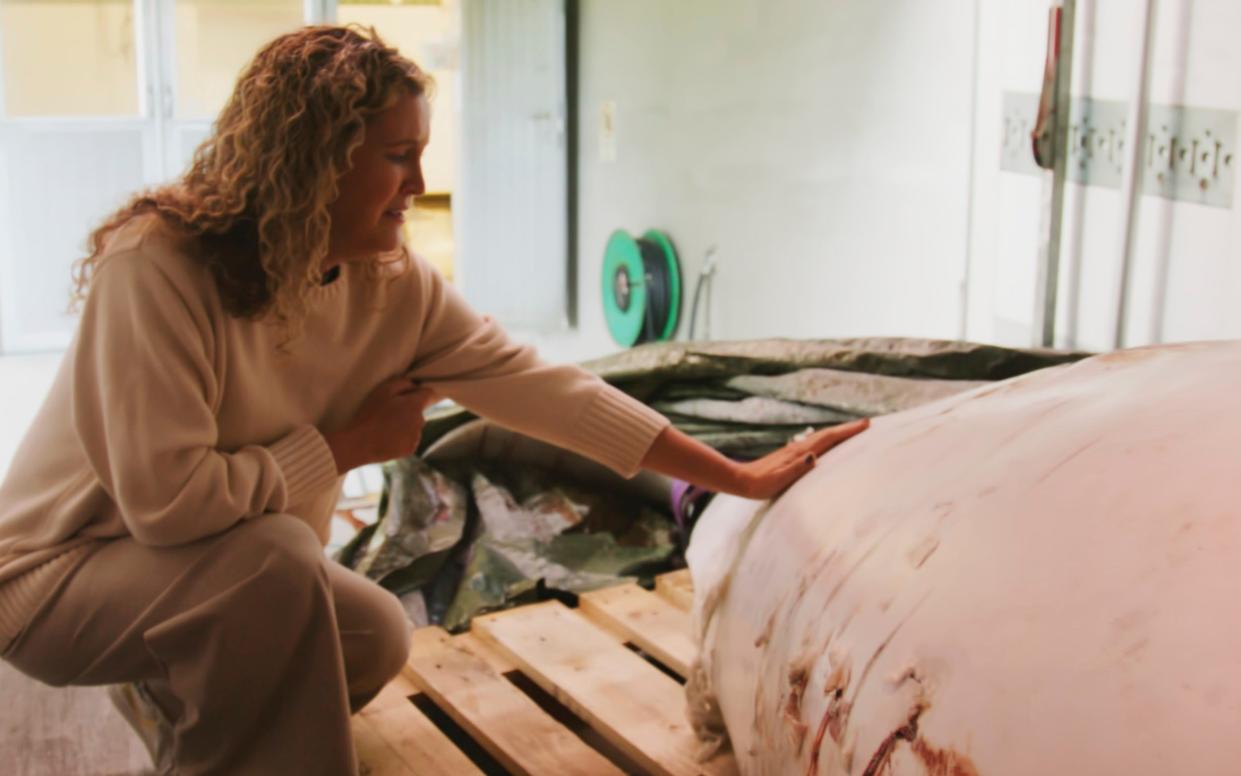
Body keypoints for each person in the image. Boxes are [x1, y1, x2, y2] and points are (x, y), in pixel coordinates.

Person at [0, 25, 866, 775]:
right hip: (55, 578)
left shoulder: (393, 287)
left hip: (212, 577)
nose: (419, 183)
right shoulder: (155, 267)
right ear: (314, 162)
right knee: (272, 561)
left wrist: (733, 475)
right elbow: (166, 505)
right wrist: (341, 448)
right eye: (396, 155)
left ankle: (182, 706)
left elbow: (552, 393)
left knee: (372, 638)